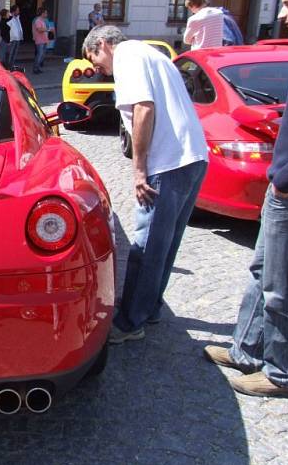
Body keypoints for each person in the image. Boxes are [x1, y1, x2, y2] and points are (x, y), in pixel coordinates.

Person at [203, 0, 288, 399]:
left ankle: (284, 373)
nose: (283, 13)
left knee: (284, 283)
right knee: (262, 270)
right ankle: (247, 350)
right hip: (285, 186)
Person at [83, 25, 208, 344]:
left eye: (96, 61)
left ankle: (129, 322)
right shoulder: (152, 53)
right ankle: (149, 307)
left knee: (147, 244)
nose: (100, 70)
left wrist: (139, 171)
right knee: (165, 242)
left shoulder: (126, 57)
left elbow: (143, 108)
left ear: (103, 44)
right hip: (192, 156)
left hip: (167, 161)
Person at [32, 7, 49, 74]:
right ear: (42, 13)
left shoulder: (43, 20)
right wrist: (47, 29)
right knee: (39, 55)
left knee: (42, 55)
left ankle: (38, 67)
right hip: (40, 40)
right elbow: (39, 29)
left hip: (44, 40)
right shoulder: (38, 20)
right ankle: (35, 68)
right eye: (45, 13)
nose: (46, 14)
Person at [6, 5, 23, 69]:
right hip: (12, 39)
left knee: (14, 53)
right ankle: (8, 67)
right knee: (10, 53)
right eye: (17, 10)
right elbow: (7, 29)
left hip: (18, 38)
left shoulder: (17, 18)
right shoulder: (9, 18)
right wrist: (8, 39)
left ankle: (11, 66)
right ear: (14, 11)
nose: (18, 11)